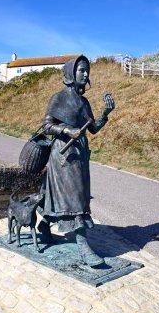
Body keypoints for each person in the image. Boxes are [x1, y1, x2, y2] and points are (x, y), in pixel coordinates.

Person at [38, 55, 114, 267]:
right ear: (71, 73)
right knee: (75, 199)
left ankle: (44, 225)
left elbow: (93, 129)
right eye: (81, 70)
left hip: (80, 155)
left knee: (76, 195)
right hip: (62, 155)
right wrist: (65, 129)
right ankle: (83, 246)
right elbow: (46, 126)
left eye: (87, 70)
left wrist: (105, 114)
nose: (86, 74)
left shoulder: (84, 102)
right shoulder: (58, 98)